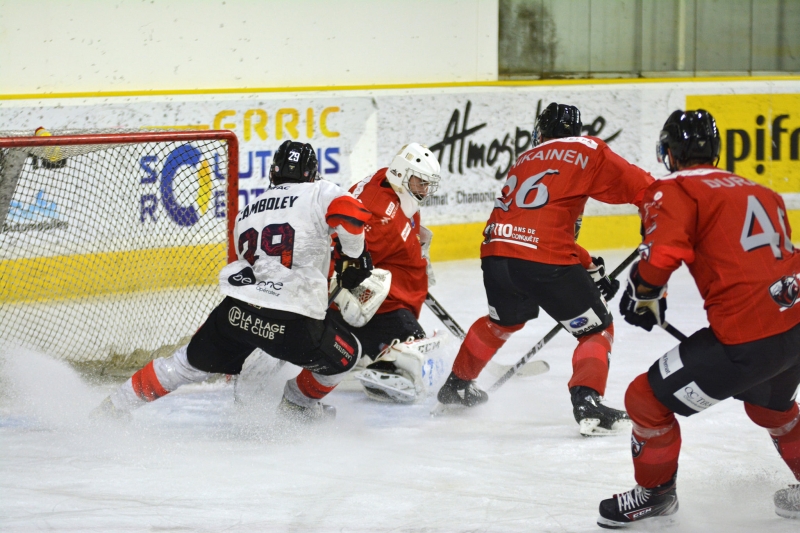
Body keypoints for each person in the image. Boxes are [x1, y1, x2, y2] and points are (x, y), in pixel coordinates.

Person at [596, 110, 800, 527]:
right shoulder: (760, 190)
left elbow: (663, 254)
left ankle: (656, 495)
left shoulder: (674, 188)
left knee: (644, 399)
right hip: (794, 326)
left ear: (669, 152)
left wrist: (644, 292)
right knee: (770, 409)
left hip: (746, 338)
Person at [93, 140, 373, 422]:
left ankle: (113, 407)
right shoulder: (319, 191)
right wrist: (355, 257)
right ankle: (296, 407)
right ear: (311, 174)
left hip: (237, 312)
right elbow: (350, 214)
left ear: (273, 173)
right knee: (346, 356)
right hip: (293, 320)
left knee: (184, 364)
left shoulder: (249, 210)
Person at [435, 102, 655, 436]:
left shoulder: (525, 159)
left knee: (502, 322)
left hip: (496, 255)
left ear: (541, 131)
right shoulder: (588, 148)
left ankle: (457, 385)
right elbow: (647, 189)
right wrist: (663, 219)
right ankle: (588, 402)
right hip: (543, 260)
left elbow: (535, 228)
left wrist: (590, 268)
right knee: (596, 329)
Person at [342, 143, 445, 403]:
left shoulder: (392, 183)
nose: (425, 190)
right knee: (415, 356)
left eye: (427, 184)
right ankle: (364, 354)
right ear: (401, 173)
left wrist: (415, 249)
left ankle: (358, 348)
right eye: (421, 182)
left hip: (394, 295)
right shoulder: (379, 216)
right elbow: (347, 263)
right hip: (380, 307)